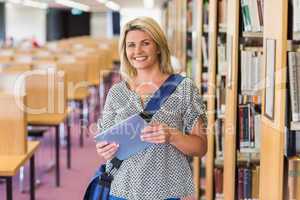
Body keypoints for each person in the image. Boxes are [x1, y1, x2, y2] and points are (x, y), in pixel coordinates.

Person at [96, 17, 207, 200]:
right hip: (123, 190)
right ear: (124, 50)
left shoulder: (184, 88)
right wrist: (105, 150)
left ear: (158, 47)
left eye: (145, 43)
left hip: (167, 191)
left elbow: (201, 147)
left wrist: (172, 136)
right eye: (131, 45)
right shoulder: (116, 93)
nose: (137, 51)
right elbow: (105, 143)